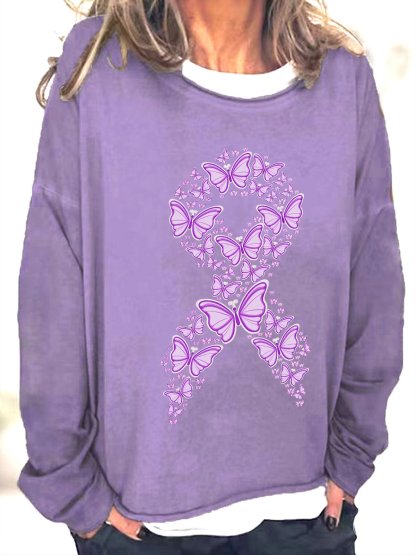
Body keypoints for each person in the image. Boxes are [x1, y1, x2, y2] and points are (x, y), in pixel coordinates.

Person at [16, 1, 405, 554]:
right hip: (139, 526)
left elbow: (376, 286)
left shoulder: (344, 82)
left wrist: (352, 453)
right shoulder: (100, 70)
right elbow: (51, 293)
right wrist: (73, 492)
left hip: (305, 515)